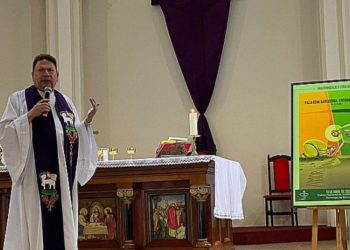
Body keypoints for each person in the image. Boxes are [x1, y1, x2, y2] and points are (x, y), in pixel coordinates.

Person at [0, 54, 99, 250]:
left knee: (61, 227)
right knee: (36, 224)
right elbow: (4, 132)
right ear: (32, 75)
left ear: (57, 75)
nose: (46, 74)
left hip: (63, 179)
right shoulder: (19, 99)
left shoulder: (66, 102)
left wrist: (86, 122)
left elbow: (71, 136)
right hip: (32, 180)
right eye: (41, 70)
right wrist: (29, 116)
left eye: (50, 70)